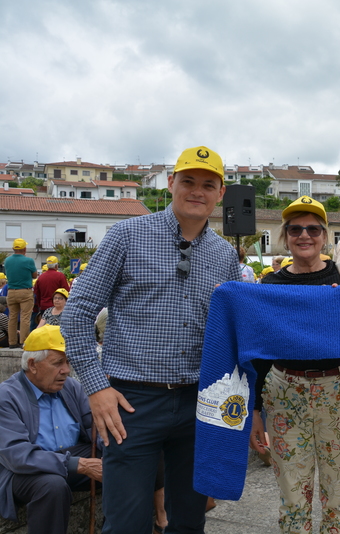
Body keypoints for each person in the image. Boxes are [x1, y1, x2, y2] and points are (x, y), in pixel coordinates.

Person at [61, 146, 240, 533]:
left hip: (198, 402)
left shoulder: (225, 255)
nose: (197, 191)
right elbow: (75, 316)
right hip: (130, 403)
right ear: (171, 183)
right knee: (126, 523)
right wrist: (96, 388)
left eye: (208, 185)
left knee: (190, 522)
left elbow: (234, 329)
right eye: (188, 181)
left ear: (220, 194)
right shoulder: (127, 235)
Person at [249, 196, 340, 533]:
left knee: (339, 499)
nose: (304, 235)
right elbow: (259, 352)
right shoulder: (270, 285)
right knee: (292, 501)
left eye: (313, 228)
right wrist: (255, 409)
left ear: (324, 235)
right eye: (295, 228)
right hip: (284, 391)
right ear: (285, 236)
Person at [0, 325, 103, 532]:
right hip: (25, 470)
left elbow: (94, 427)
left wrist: (110, 449)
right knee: (52, 486)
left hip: (69, 459)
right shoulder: (7, 397)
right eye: (58, 363)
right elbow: (18, 456)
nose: (65, 370)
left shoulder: (71, 387)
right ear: (33, 365)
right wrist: (79, 464)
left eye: (67, 362)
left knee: (128, 460)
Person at [4, 239, 38, 348]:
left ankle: (12, 342)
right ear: (25, 249)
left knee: (12, 317)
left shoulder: (7, 260)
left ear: (13, 249)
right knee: (25, 317)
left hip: (11, 291)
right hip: (25, 291)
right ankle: (23, 341)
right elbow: (34, 275)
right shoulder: (28, 261)